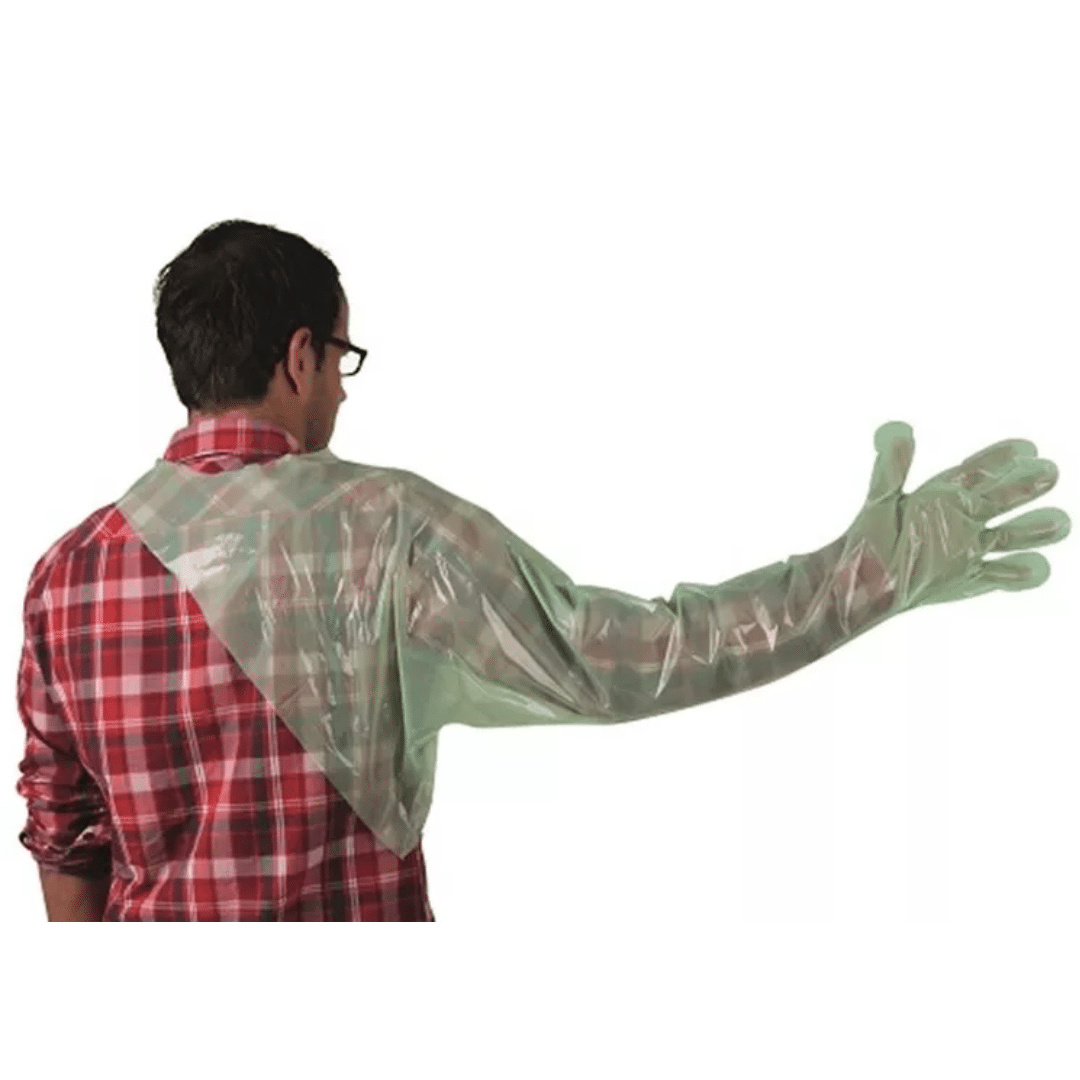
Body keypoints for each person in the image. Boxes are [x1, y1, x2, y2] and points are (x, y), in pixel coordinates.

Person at [15, 219, 1072, 921]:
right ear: (300, 356)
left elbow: (63, 838)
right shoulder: (388, 529)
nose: (340, 390)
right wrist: (866, 576)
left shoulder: (64, 576)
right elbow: (636, 656)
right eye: (341, 360)